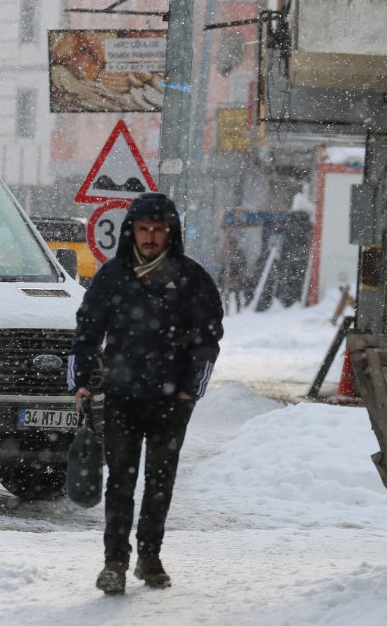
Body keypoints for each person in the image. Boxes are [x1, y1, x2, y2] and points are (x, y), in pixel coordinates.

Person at [68, 192, 224, 595]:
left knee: (160, 481)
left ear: (169, 233)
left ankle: (149, 555)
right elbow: (87, 331)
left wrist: (192, 389)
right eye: (143, 229)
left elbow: (209, 339)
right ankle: (114, 563)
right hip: (122, 397)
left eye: (158, 230)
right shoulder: (112, 276)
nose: (150, 237)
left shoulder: (192, 278)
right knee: (120, 481)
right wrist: (81, 380)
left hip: (172, 402)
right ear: (131, 232)